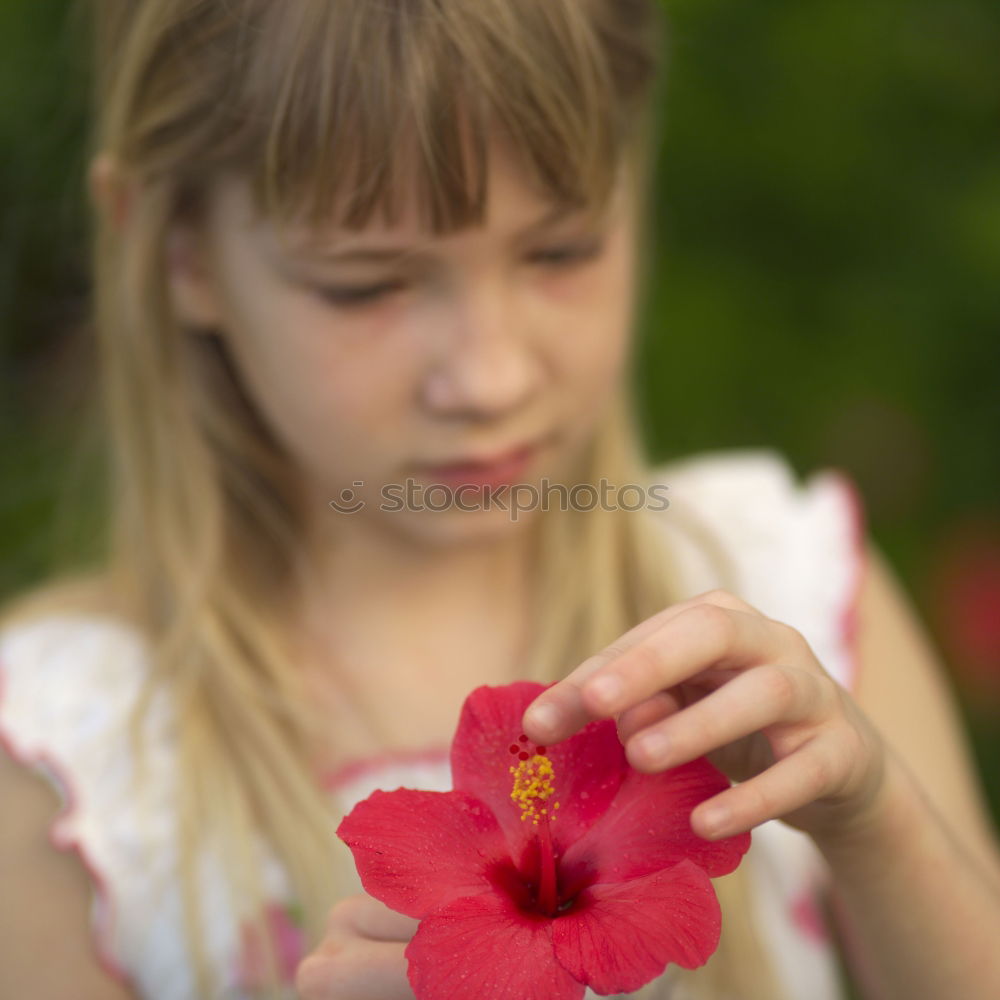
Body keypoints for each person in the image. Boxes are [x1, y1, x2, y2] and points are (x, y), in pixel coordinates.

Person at [1, 1, 999, 998]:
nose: (486, 375)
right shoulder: (71, 774)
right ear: (178, 252)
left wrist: (876, 822)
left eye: (559, 251)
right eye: (367, 284)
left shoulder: (782, 591)